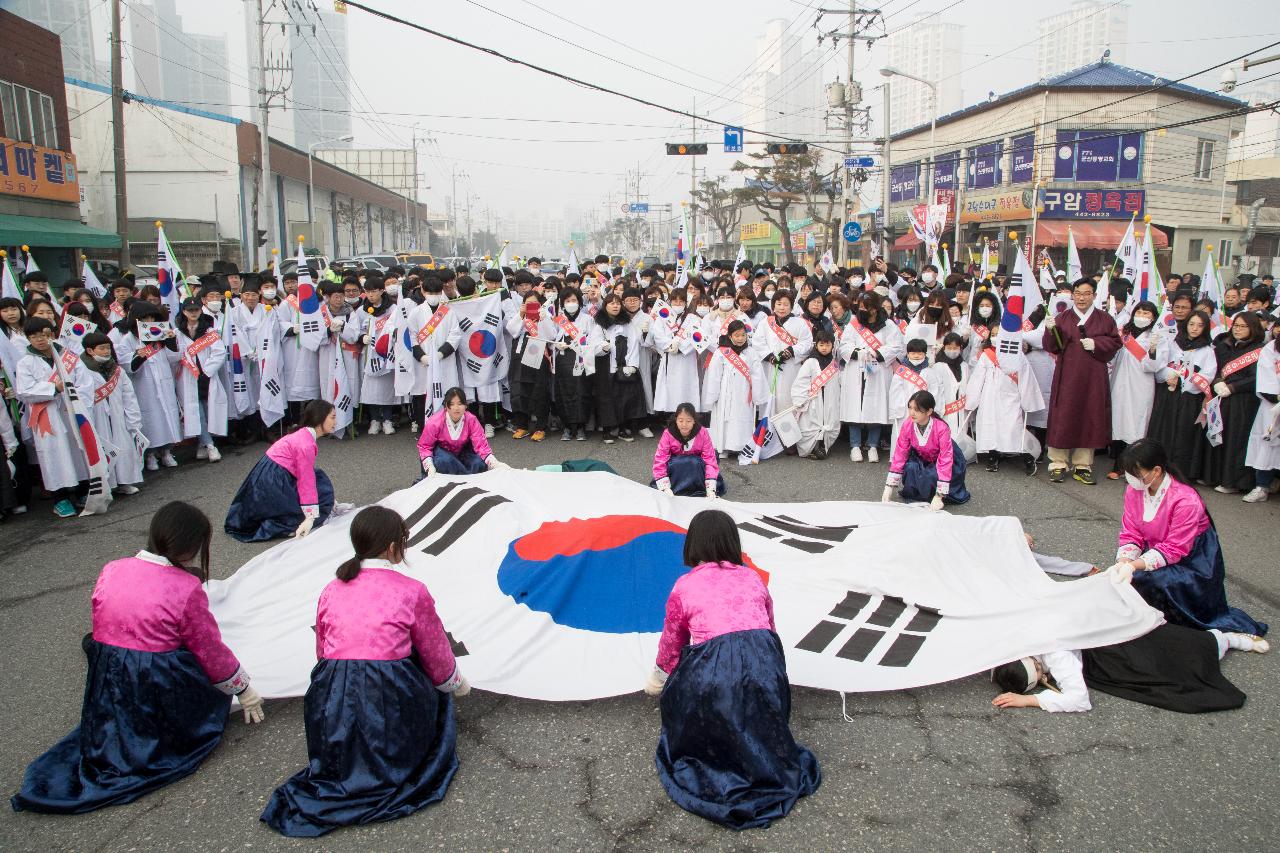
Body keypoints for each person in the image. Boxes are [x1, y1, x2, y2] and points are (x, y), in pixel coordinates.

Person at [11, 502, 263, 813]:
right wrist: (242, 688)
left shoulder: (112, 568)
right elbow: (209, 648)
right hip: (152, 680)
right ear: (191, 546)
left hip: (108, 671)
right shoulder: (186, 588)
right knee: (197, 675)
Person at [261, 506, 467, 837]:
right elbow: (435, 650)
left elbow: (323, 651)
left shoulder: (332, 588)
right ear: (391, 547)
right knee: (434, 684)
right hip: (387, 691)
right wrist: (454, 681)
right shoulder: (412, 590)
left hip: (333, 692)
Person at [645, 509, 820, 829]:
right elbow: (769, 631)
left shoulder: (684, 586)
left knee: (689, 692)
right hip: (764, 667)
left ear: (693, 545)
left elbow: (672, 642)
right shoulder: (752, 576)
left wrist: (660, 676)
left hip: (717, 674)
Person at [1108, 439, 1267, 636]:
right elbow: (1131, 531)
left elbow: (1175, 549)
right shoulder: (1135, 490)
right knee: (1123, 577)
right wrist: (1124, 560)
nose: (1130, 478)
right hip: (1161, 549)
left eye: (1135, 473)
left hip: (1194, 559)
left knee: (1151, 581)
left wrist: (1134, 565)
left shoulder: (1186, 500)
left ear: (1156, 471)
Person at [989, 621, 1263, 716]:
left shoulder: (1056, 656)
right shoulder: (1027, 642)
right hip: (1103, 642)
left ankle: (1228, 640)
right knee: (1162, 647)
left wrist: (1030, 700)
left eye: (1038, 677)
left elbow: (1079, 700)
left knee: (1165, 659)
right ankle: (1221, 640)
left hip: (1108, 654)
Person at [1042, 278, 1122, 484]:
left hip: (1093, 376)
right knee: (1063, 414)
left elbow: (1115, 342)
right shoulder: (1062, 317)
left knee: (1089, 415)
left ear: (1094, 296)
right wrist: (1050, 330)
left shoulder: (1105, 319)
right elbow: (1052, 346)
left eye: (1086, 293)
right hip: (1067, 373)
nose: (1081, 298)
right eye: (1077, 293)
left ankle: (1082, 464)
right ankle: (1058, 462)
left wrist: (1097, 343)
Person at [225, 400, 337, 542]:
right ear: (319, 418)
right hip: (274, 481)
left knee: (318, 479)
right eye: (332, 417)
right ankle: (291, 524)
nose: (335, 421)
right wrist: (310, 516)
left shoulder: (302, 434)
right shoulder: (306, 444)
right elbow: (305, 481)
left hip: (266, 476)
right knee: (322, 495)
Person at [15, 318, 94, 517]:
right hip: (47, 415)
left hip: (71, 410)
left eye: (43, 335)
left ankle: (83, 490)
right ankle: (60, 497)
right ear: (28, 339)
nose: (39, 340)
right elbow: (24, 391)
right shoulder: (26, 362)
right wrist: (53, 388)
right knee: (54, 455)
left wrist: (76, 400)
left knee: (78, 450)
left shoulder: (68, 356)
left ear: (51, 333)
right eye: (33, 337)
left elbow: (85, 382)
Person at [1198, 311, 1266, 493]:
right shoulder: (1224, 346)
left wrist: (1233, 387)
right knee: (1217, 435)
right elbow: (1215, 369)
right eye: (1236, 325)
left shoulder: (1260, 350)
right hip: (1220, 398)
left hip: (1243, 401)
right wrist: (1217, 382)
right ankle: (1213, 475)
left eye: (1243, 326)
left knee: (1236, 439)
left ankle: (1233, 481)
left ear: (1253, 328)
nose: (1238, 329)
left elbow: (1257, 378)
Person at [1146, 311, 1216, 477]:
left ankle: (1180, 471)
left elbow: (1208, 375)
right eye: (1192, 324)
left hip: (1189, 399)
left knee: (1183, 434)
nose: (1194, 329)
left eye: (1200, 325)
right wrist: (1169, 375)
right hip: (1168, 395)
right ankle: (1156, 467)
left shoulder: (1207, 350)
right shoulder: (1173, 343)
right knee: (1163, 430)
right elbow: (1160, 365)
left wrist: (1184, 380)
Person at [838, 292, 904, 463]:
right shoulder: (854, 324)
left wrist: (878, 353)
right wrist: (858, 353)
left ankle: (873, 445)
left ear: (874, 309)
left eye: (865, 307)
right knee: (855, 407)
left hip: (879, 370)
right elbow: (844, 345)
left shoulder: (888, 325)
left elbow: (897, 346)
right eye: (860, 306)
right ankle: (855, 445)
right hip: (856, 369)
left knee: (877, 407)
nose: (862, 310)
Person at [117, 302, 182, 470]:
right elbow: (127, 365)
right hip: (144, 386)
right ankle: (151, 454)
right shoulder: (128, 340)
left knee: (168, 416)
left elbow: (174, 359)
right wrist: (139, 356)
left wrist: (171, 342)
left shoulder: (160, 335)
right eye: (145, 318)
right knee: (151, 420)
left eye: (152, 317)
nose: (149, 321)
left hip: (164, 383)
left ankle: (167, 451)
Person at [1107, 301, 1167, 479]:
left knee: (1136, 426)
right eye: (1139, 311)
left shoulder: (1157, 336)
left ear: (1153, 317)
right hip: (1119, 382)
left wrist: (1153, 350)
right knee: (1118, 422)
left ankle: (1133, 468)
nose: (1142, 315)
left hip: (1141, 385)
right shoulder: (1124, 332)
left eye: (1146, 313)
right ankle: (1117, 464)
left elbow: (1153, 366)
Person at [80, 332, 144, 496]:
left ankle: (125, 482)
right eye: (101, 348)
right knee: (102, 450)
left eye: (108, 348)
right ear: (90, 350)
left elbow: (129, 395)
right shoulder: (81, 370)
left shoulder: (116, 369)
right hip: (97, 417)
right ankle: (106, 485)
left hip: (117, 416)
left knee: (123, 447)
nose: (106, 351)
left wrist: (133, 419)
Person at [883, 390, 970, 508]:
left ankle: (939, 495)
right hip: (921, 456)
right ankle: (921, 493)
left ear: (929, 411)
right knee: (910, 467)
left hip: (946, 459)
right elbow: (900, 452)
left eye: (917, 410)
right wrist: (889, 486)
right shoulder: (907, 425)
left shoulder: (941, 428)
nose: (912, 413)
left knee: (932, 474)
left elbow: (945, 459)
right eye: (910, 408)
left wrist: (939, 495)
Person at [702, 319, 766, 458]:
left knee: (742, 417)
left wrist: (758, 395)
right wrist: (713, 394)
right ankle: (723, 446)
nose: (740, 338)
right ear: (730, 336)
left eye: (743, 335)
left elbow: (757, 375)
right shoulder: (721, 352)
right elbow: (714, 375)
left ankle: (742, 446)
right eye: (737, 335)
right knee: (724, 417)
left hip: (744, 393)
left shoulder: (751, 352)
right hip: (726, 392)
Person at [417, 387, 508, 476]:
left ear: (465, 405)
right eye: (452, 404)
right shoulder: (434, 422)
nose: (456, 408)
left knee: (479, 463)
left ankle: (465, 479)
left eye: (460, 404)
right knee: (443, 462)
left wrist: (495, 463)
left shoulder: (471, 419)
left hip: (464, 451)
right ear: (446, 406)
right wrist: (429, 467)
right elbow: (425, 446)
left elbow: (481, 446)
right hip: (442, 453)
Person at [1242, 319, 1280, 503]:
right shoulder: (1270, 349)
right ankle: (1262, 486)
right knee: (1267, 445)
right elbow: (1266, 381)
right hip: (1272, 406)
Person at [550, 287, 595, 441]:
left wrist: (582, 345)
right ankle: (568, 426)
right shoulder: (558, 320)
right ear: (562, 303)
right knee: (564, 393)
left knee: (582, 391)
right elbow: (550, 338)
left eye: (574, 300)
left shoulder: (587, 319)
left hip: (581, 360)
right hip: (563, 360)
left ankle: (581, 426)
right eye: (567, 301)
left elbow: (592, 340)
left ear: (579, 301)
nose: (571, 303)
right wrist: (557, 344)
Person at [651, 402, 723, 497]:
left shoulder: (703, 432)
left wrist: (710, 488)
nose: (684, 425)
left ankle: (701, 489)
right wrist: (664, 487)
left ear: (694, 421)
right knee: (680, 462)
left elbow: (709, 459)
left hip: (697, 467)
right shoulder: (668, 433)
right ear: (676, 420)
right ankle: (673, 487)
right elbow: (660, 459)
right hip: (676, 467)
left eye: (688, 421)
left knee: (695, 461)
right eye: (681, 421)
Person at [791, 329, 842, 459]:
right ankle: (812, 448)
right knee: (811, 423)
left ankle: (823, 446)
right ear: (816, 345)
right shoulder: (810, 362)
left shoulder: (835, 363)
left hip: (829, 398)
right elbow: (801, 381)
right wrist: (801, 399)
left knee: (829, 421)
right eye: (821, 345)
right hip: (813, 399)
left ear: (833, 346)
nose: (824, 348)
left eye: (828, 345)